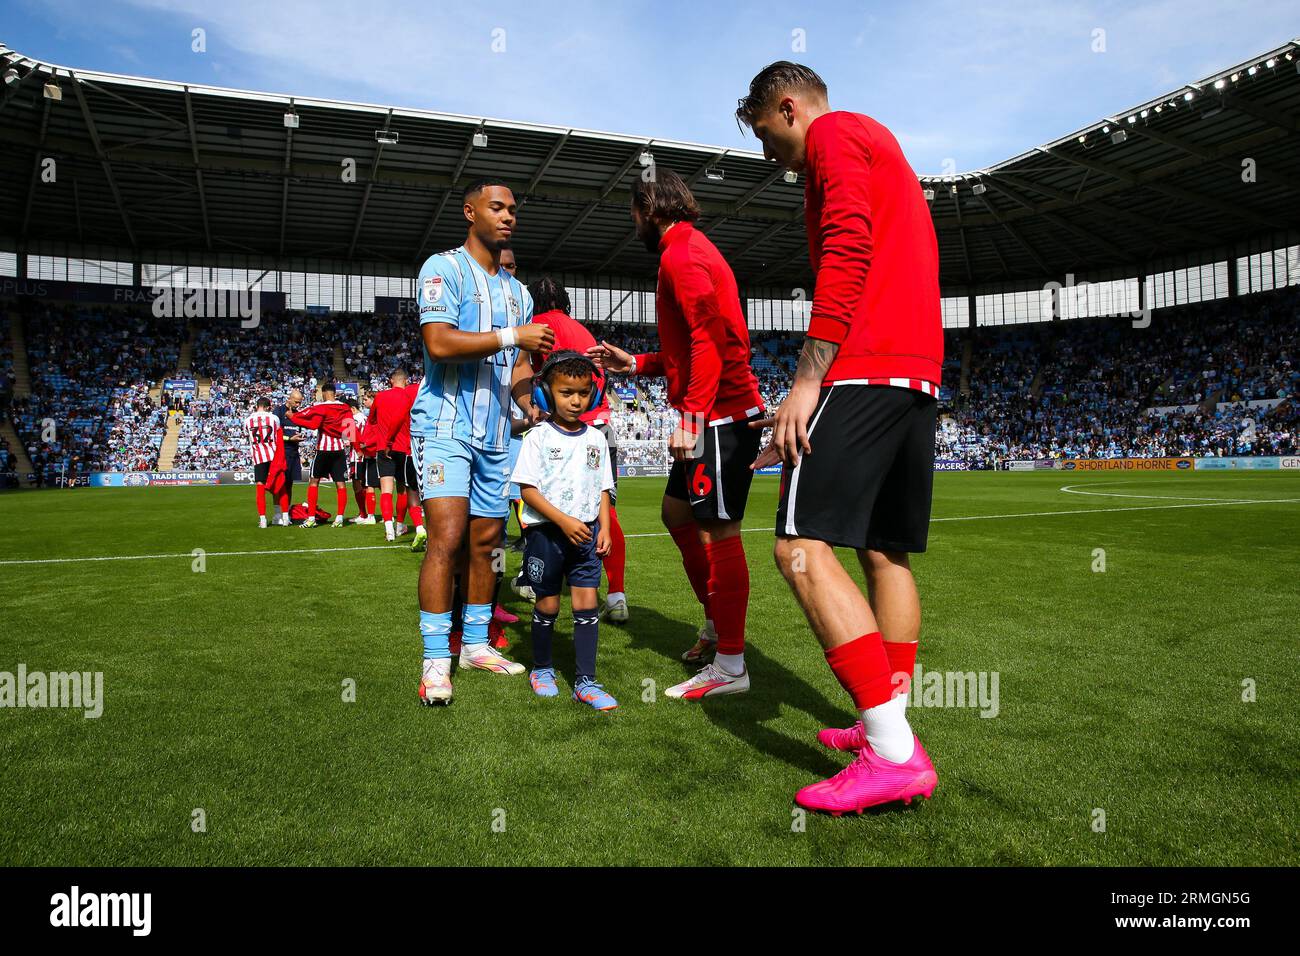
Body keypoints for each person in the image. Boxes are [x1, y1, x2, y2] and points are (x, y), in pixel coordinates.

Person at [737, 61, 943, 812]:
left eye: (766, 136)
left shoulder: (830, 136)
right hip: (916, 373)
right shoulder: (877, 138)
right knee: (884, 553)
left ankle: (893, 751)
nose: (770, 156)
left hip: (863, 365)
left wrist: (806, 383)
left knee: (798, 547)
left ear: (788, 108)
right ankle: (880, 722)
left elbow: (850, 252)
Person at [589, 168, 764, 701]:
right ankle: (717, 625)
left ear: (650, 209)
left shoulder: (680, 254)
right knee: (676, 514)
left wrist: (692, 415)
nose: (633, 224)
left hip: (722, 416)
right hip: (714, 411)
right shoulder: (687, 249)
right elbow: (689, 346)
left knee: (719, 530)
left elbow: (710, 336)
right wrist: (638, 362)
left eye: (634, 215)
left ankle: (731, 661)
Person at [411, 179, 554, 706]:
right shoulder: (441, 269)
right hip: (444, 427)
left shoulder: (519, 293)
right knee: (447, 538)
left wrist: (530, 405)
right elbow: (439, 342)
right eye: (497, 207)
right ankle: (434, 660)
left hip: (497, 435)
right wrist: (514, 337)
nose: (508, 216)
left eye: (513, 210)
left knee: (487, 545)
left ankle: (474, 643)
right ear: (470, 212)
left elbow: (517, 368)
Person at [511, 351, 616, 710]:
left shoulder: (597, 439)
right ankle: (541, 668)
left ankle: (586, 681)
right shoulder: (538, 437)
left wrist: (604, 527)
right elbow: (528, 491)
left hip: (586, 536)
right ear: (546, 394)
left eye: (584, 393)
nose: (576, 400)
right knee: (549, 603)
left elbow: (604, 487)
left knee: (587, 607)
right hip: (548, 535)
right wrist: (563, 521)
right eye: (566, 392)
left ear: (594, 395)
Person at [529, 276, 629, 623]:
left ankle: (539, 580)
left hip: (565, 429)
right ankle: (616, 594)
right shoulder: (581, 329)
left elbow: (534, 380)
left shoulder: (536, 326)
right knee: (605, 508)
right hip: (600, 427)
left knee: (543, 503)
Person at [291, 383, 353, 528]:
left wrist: (293, 417)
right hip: (338, 450)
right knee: (341, 484)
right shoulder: (345, 408)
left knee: (314, 482)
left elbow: (313, 424)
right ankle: (339, 519)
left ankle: (311, 518)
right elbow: (350, 431)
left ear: (324, 393)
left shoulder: (321, 407)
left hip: (323, 449)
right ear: (335, 393)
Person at [245, 396, 284, 528]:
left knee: (260, 485)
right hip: (273, 455)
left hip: (258, 456)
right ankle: (278, 516)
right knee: (276, 486)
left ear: (257, 406)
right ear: (268, 407)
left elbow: (248, 437)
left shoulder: (247, 420)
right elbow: (278, 435)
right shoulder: (274, 418)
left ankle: (262, 519)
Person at [272, 387, 305, 519]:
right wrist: (289, 438)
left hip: (293, 452)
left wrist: (299, 437)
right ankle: (277, 513)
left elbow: (297, 429)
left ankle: (286, 513)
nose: (298, 405)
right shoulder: (278, 411)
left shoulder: (297, 414)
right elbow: (274, 433)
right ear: (289, 399)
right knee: (279, 484)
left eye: (299, 402)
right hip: (281, 453)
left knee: (289, 484)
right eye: (296, 402)